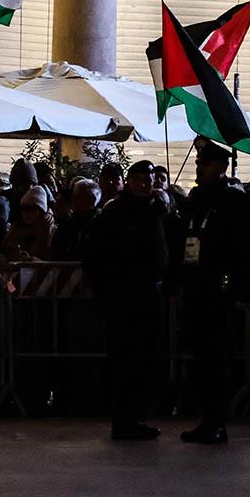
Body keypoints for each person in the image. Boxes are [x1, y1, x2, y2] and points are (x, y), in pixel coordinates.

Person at [179, 139, 250, 445]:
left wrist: (244, 286)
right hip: (196, 289)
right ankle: (205, 417)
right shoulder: (196, 199)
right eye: (199, 164)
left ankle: (216, 421)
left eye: (207, 164)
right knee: (200, 358)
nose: (200, 169)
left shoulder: (236, 202)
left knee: (218, 359)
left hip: (220, 290)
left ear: (222, 168)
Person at [82, 160, 168, 440]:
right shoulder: (115, 213)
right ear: (129, 181)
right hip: (125, 298)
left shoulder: (154, 211)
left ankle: (137, 416)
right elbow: (96, 254)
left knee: (144, 360)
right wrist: (106, 292)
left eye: (150, 179)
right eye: (140, 178)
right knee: (126, 361)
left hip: (149, 296)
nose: (146, 183)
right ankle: (124, 419)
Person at [51, 178, 100, 260]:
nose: (73, 200)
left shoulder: (102, 224)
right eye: (73, 196)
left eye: (78, 197)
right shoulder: (66, 225)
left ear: (92, 199)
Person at [2, 185, 54, 261]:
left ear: (41, 211)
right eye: (24, 208)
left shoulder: (50, 231)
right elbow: (4, 251)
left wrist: (34, 262)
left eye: (32, 209)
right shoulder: (16, 229)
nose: (26, 213)